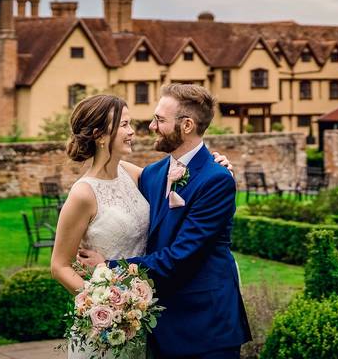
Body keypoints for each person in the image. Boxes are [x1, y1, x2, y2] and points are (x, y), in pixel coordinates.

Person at [50, 92, 235, 359]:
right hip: (122, 317)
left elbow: (182, 254)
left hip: (188, 320)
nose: (140, 129)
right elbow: (59, 265)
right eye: (124, 124)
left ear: (186, 126)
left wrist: (219, 168)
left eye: (158, 119)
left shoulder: (137, 175)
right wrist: (103, 306)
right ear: (100, 135)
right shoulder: (100, 188)